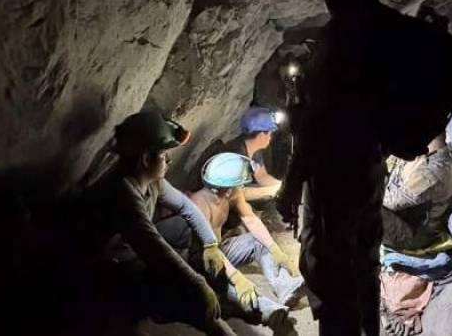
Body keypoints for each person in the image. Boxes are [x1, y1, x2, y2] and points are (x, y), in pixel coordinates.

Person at [276, 0, 452, 335]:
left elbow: (315, 126)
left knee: (332, 277)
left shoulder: (340, 39)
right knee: (363, 268)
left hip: (335, 180)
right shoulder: (392, 30)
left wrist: (291, 184)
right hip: (369, 172)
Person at [73, 111, 235, 336]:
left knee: (184, 226)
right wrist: (196, 283)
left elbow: (187, 207)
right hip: (106, 267)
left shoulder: (152, 182)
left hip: (132, 250)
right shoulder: (122, 194)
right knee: (188, 295)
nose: (168, 160)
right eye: (163, 154)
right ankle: (123, 316)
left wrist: (210, 244)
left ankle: (197, 287)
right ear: (146, 159)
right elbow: (153, 247)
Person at [188, 152, 306, 329]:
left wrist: (274, 249)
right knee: (235, 288)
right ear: (225, 187)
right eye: (238, 184)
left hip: (221, 248)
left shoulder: (231, 193)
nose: (241, 187)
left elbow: (250, 219)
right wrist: (236, 278)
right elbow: (210, 251)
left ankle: (284, 287)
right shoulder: (199, 204)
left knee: (257, 242)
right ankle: (270, 311)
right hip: (204, 261)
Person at [382, 132, 452, 255]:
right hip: (404, 215)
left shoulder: (433, 172)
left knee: (366, 206)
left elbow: (389, 202)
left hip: (413, 234)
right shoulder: (429, 155)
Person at [189, 107, 282, 202]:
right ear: (261, 136)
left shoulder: (253, 149)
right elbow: (235, 195)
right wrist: (270, 191)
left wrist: (281, 185)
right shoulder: (235, 155)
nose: (270, 138)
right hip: (204, 199)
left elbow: (261, 176)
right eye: (270, 134)